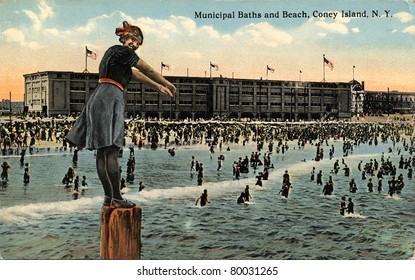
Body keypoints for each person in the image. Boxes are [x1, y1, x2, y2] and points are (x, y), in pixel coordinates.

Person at [65, 21, 176, 208]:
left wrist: (158, 87)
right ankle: (116, 196)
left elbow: (134, 74)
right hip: (111, 97)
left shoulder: (115, 54)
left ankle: (109, 197)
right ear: (125, 38)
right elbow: (145, 69)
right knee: (111, 151)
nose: (135, 45)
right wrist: (166, 82)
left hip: (99, 96)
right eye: (134, 40)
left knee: (103, 151)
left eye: (138, 43)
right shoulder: (123, 51)